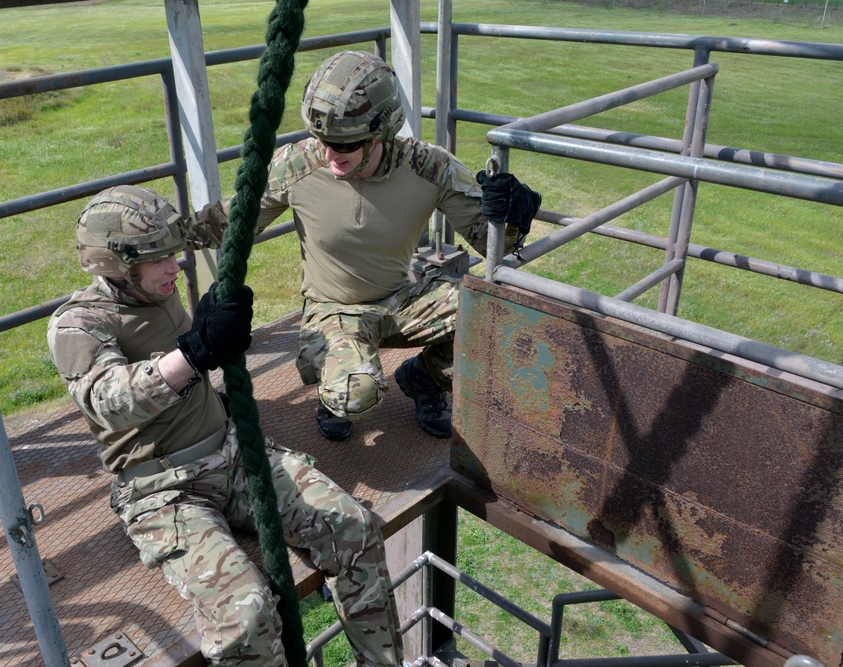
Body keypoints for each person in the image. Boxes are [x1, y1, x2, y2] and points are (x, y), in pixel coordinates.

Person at [46, 185, 405, 667]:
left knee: (352, 528)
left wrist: (210, 335)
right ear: (116, 264)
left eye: (173, 254)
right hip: (163, 490)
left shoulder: (158, 291)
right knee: (247, 615)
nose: (175, 266)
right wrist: (196, 350)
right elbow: (107, 400)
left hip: (232, 455)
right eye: (158, 259)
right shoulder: (79, 323)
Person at [252, 50, 542, 441]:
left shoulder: (429, 167)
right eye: (323, 139)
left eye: (346, 143)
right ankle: (335, 386)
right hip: (334, 310)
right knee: (353, 395)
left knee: (497, 327)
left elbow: (489, 244)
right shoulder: (297, 164)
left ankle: (424, 379)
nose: (330, 154)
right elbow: (234, 226)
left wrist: (511, 219)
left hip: (403, 299)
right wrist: (155, 238)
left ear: (381, 134)